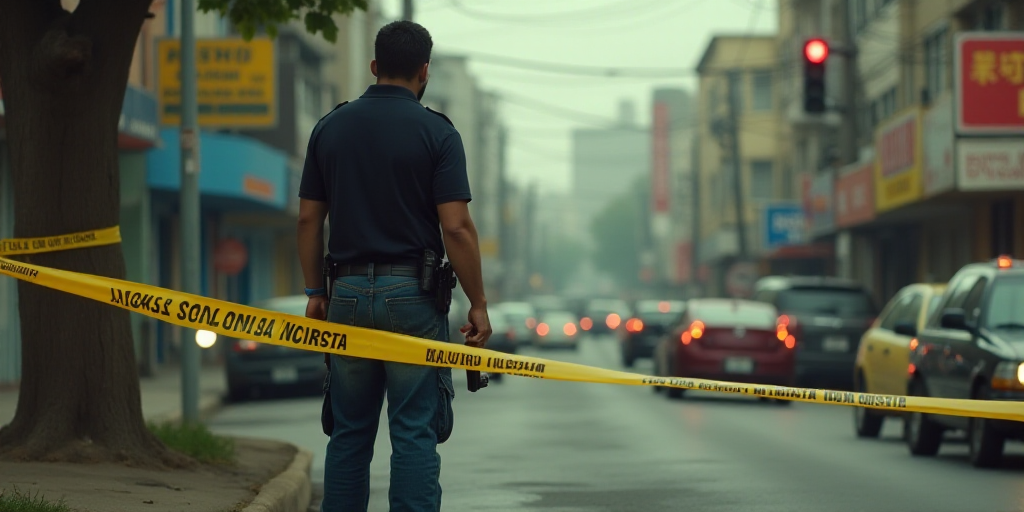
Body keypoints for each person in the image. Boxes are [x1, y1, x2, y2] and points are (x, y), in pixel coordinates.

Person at [296, 20, 491, 512]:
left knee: (349, 433)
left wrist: (315, 294)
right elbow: (458, 228)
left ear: (374, 66)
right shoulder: (438, 133)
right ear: (424, 71)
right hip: (413, 296)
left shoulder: (329, 127)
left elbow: (307, 219)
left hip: (344, 294)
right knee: (412, 433)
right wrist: (479, 304)